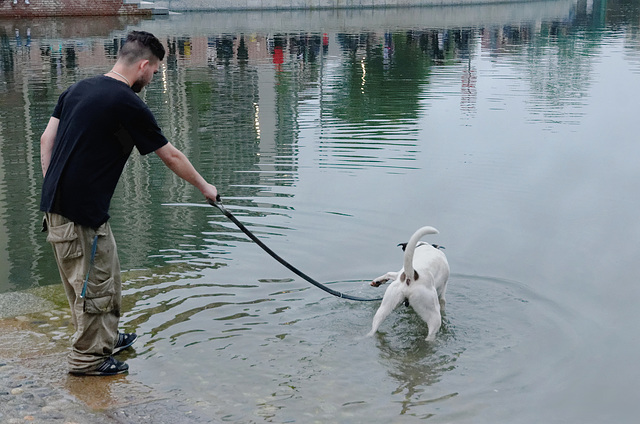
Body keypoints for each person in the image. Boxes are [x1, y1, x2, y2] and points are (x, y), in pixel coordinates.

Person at [40, 31, 217, 376]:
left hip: (61, 209)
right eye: (155, 72)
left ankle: (104, 337)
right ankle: (88, 360)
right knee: (96, 286)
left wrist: (51, 188)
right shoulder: (127, 102)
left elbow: (48, 138)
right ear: (144, 65)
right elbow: (170, 155)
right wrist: (205, 187)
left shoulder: (78, 88)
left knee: (97, 279)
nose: (153, 79)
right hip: (80, 214)